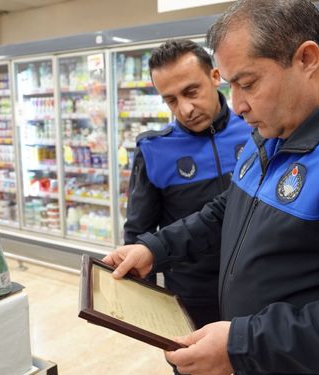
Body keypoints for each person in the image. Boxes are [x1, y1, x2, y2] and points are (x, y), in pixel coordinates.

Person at [105, 1, 319, 374]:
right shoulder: (271, 132)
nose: (238, 105)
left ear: (307, 58)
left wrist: (243, 344)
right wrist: (155, 248)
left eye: (248, 84)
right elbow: (228, 208)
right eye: (231, 85)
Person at [122, 39, 251, 330]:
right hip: (191, 296)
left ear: (216, 77)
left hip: (255, 288)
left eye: (191, 92)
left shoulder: (257, 129)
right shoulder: (154, 150)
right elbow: (138, 232)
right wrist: (146, 302)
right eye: (171, 100)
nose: (185, 109)